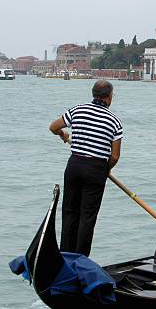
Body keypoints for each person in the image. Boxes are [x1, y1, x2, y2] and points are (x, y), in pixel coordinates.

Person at [49, 80, 123, 256]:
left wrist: (62, 134)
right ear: (109, 97)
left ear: (93, 94)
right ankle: (80, 259)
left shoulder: (78, 110)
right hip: (96, 169)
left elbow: (53, 127)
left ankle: (65, 255)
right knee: (87, 217)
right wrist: (106, 169)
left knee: (69, 212)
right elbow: (115, 156)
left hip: (74, 165)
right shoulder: (114, 122)